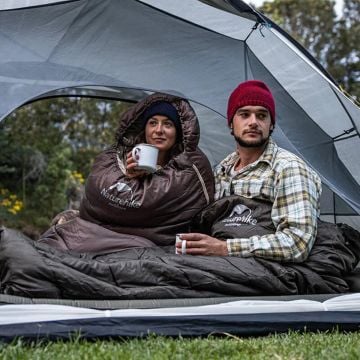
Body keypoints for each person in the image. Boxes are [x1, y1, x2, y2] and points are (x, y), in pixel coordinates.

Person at [40, 92, 214, 251]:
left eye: (168, 124)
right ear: (144, 129)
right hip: (95, 235)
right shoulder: (120, 158)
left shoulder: (189, 168)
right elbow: (98, 191)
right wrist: (128, 176)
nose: (158, 130)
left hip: (142, 245)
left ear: (178, 132)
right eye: (152, 123)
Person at [178, 80, 322, 262]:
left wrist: (225, 248)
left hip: (270, 270)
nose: (253, 122)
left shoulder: (289, 168)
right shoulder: (222, 170)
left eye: (262, 116)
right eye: (244, 114)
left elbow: (297, 243)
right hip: (221, 264)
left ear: (271, 125)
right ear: (231, 123)